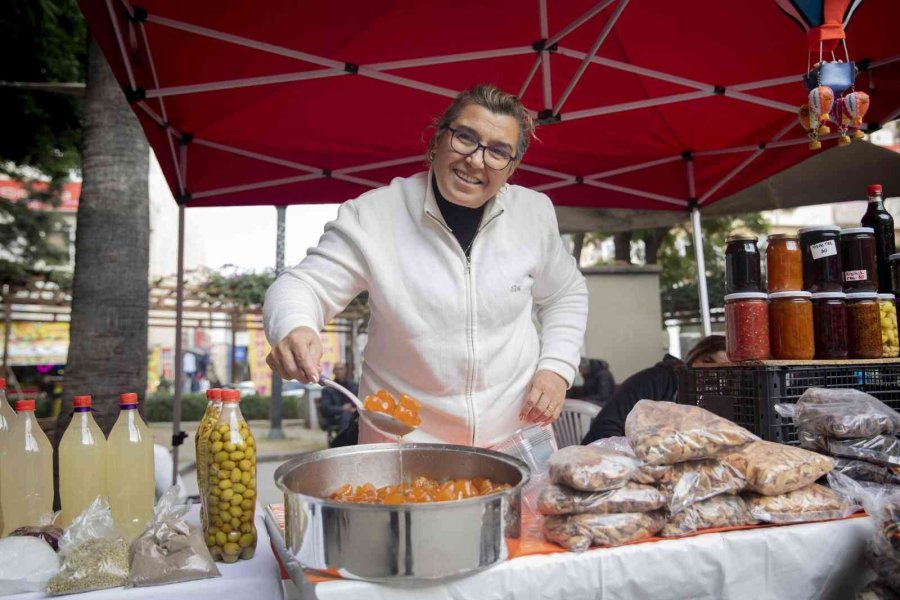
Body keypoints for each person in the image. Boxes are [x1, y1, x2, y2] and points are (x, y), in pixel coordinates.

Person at [264, 84, 588, 447]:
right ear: (436, 141)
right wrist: (293, 325)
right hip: (404, 443)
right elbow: (302, 286)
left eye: (498, 152)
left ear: (511, 168)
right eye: (466, 138)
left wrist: (557, 368)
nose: (477, 160)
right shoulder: (372, 215)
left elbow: (566, 294)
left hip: (514, 441)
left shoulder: (534, 213)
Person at [581, 335, 727, 443]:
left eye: (724, 370)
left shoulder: (717, 403)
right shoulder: (656, 379)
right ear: (692, 356)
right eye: (707, 361)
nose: (709, 370)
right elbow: (606, 427)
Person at [319, 363, 358, 433]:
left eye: (341, 369)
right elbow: (326, 408)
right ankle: (345, 442)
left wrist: (354, 409)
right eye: (337, 369)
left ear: (345, 370)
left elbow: (359, 402)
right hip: (336, 417)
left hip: (353, 414)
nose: (339, 371)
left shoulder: (354, 386)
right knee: (346, 416)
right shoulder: (328, 389)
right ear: (333, 372)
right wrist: (342, 408)